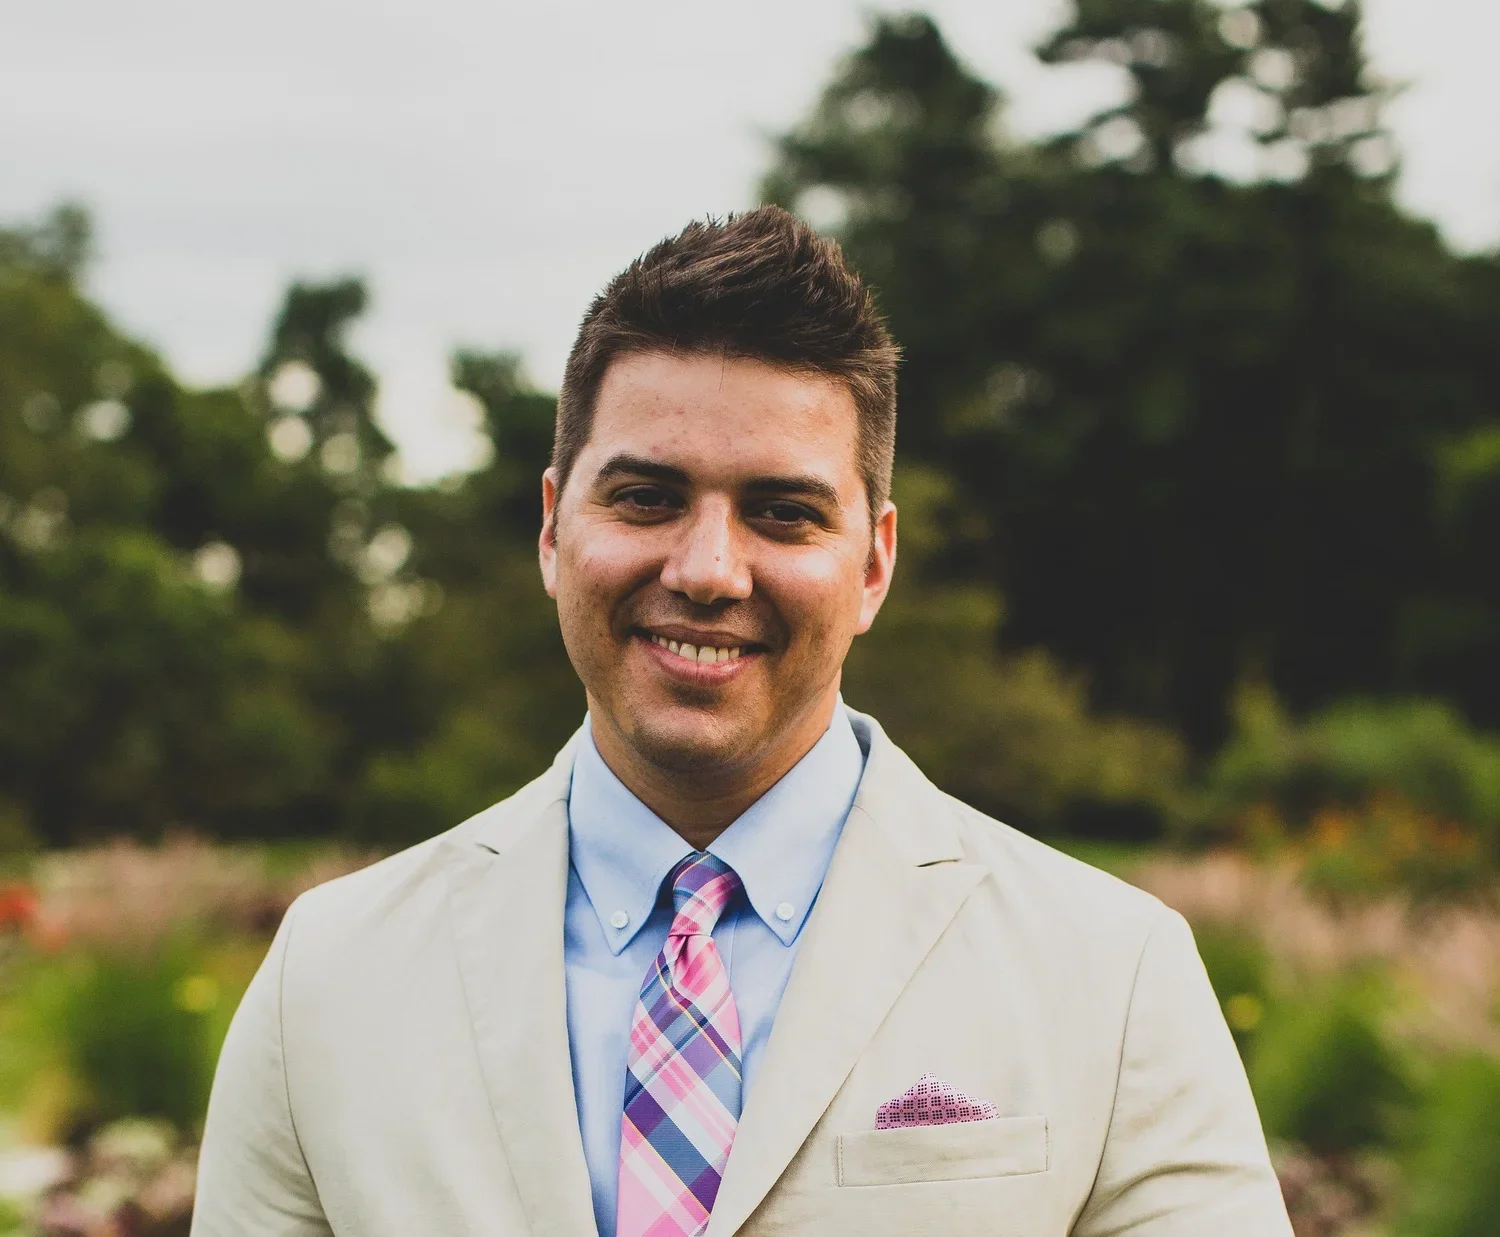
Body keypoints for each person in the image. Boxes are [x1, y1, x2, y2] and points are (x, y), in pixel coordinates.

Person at [192, 207, 1292, 1237]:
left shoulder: (1113, 972)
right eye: (646, 498)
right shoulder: (327, 982)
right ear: (550, 529)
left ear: (873, 563)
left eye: (781, 511)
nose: (708, 570)